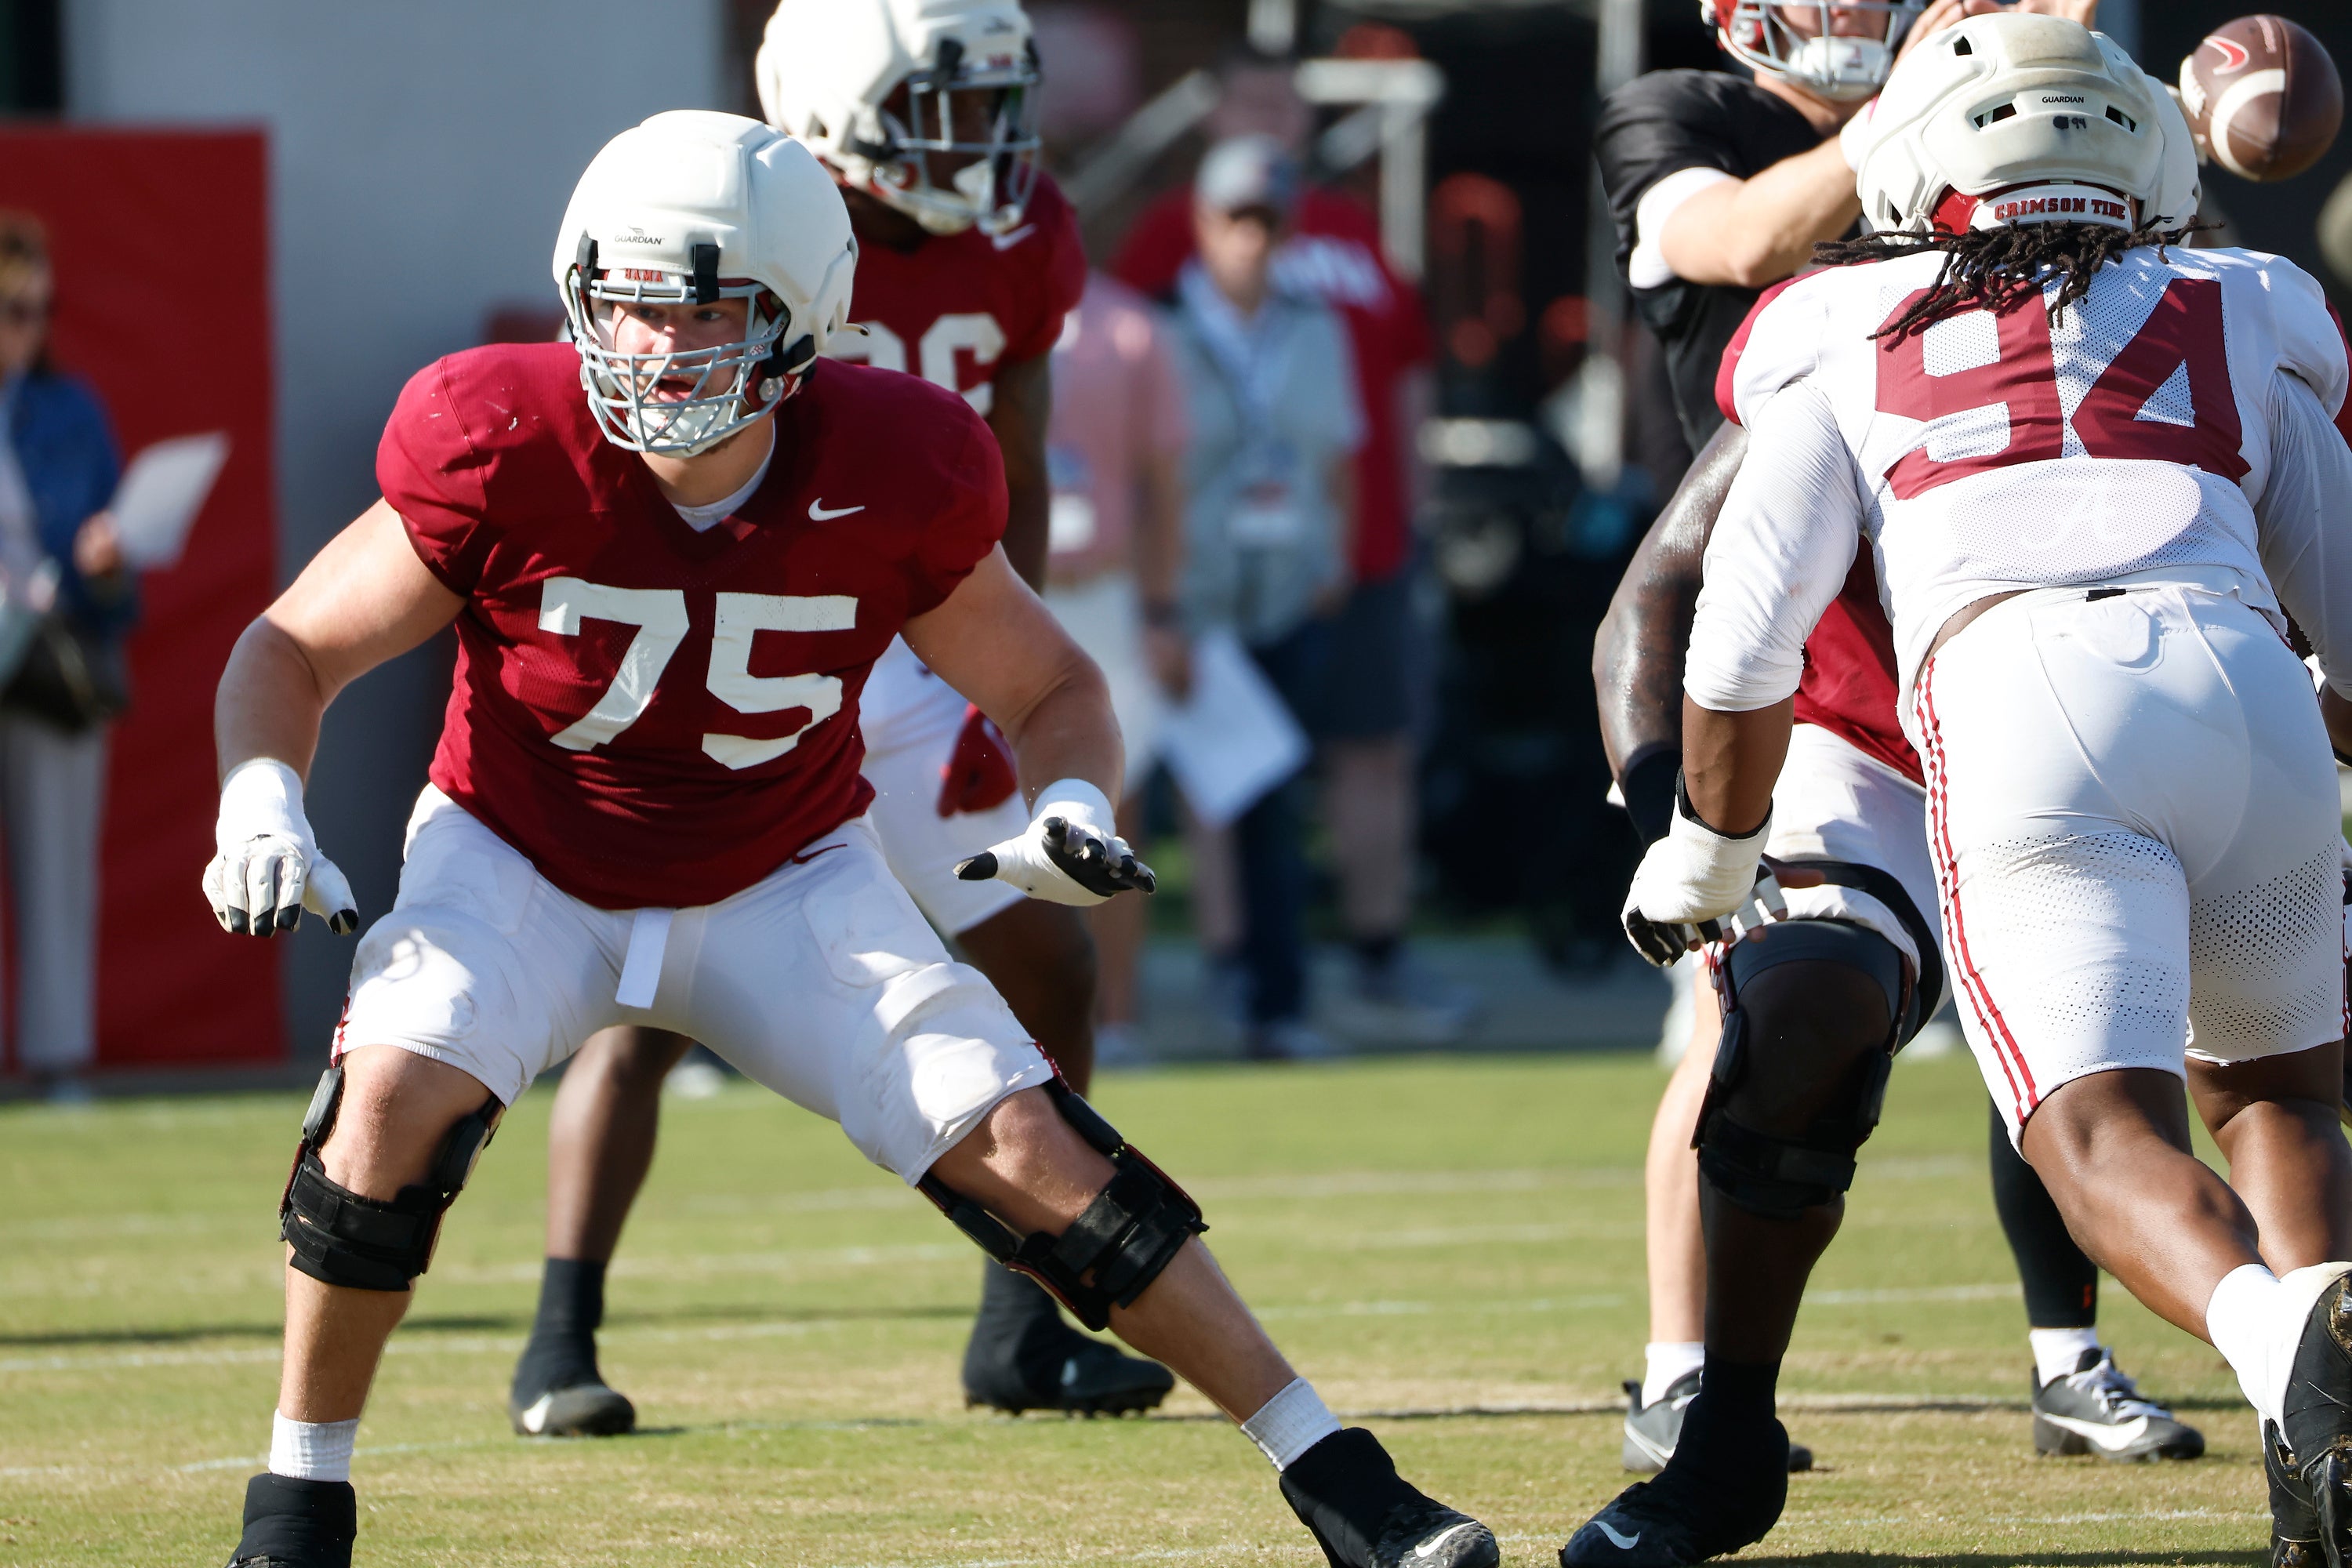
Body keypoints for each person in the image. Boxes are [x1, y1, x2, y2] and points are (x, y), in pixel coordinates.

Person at [201, 111, 1498, 1568]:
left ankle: (1339, 1475)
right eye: (625, 300)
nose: (651, 343)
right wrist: (262, 793)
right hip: (523, 858)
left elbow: (1055, 682)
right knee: (381, 1103)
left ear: (801, 314)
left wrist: (1070, 799)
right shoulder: (505, 434)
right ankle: (298, 1503)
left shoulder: (895, 462)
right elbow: (291, 646)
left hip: (782, 873)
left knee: (1037, 1144)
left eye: (698, 308)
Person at [1588, 15, 2352, 1565]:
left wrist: (1703, 844)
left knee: (2090, 1128)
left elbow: (1730, 642)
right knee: (1818, 1011)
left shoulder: (1834, 321)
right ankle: (1722, 1429)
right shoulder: (2248, 300)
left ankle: (2303, 1402)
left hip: (1999, 710)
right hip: (1989, 723)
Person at [502, 0, 1174, 1438]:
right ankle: (558, 1339)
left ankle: (1021, 1331)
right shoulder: (751, 223)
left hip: (919, 645)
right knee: (655, 996)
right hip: (761, 638)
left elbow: (1021, 453)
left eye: (998, 103)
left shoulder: (1025, 230)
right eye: (945, 106)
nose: (986, 145)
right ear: (831, 104)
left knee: (1047, 963)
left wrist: (1009, 673)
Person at [1115, 48, 1462, 1038]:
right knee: (1234, 776)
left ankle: (1375, 954)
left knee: (1369, 750)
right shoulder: (1161, 254)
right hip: (1209, 572)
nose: (1252, 236)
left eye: (1283, 102)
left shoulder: (1349, 232)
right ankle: (1245, 970)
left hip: (1344, 555)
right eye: (1249, 99)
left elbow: (1402, 377)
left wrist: (1407, 520)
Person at [1163, 135, 1364, 1062]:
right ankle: (1220, 973)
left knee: (1276, 797)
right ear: (1204, 223)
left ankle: (1274, 992)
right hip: (1196, 600)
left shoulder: (1316, 324)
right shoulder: (1161, 326)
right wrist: (1160, 600)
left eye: (1268, 220)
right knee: (1215, 799)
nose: (1252, 238)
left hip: (1289, 589)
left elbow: (1338, 455)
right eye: (1235, 218)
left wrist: (1336, 560)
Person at [1041, 268, 1190, 1066]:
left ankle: (1118, 1017)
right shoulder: (989, 314)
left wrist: (1164, 608)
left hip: (1105, 592)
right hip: (1013, 590)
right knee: (987, 806)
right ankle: (1015, 1020)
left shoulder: (1133, 328)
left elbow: (1164, 483)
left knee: (1115, 809)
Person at [0, 210, 132, 1102]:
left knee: (58, 866)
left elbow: (118, 578)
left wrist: (106, 562)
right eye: (11, 307)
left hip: (45, 655)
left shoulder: (69, 410)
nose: (26, 327)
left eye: (38, 309)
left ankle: (57, 1061)